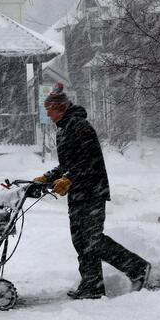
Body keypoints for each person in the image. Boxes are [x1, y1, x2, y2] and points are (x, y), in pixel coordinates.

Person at [33, 83, 150, 299]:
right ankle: (92, 286)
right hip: (78, 193)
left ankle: (138, 268)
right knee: (81, 240)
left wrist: (69, 178)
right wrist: (47, 178)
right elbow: (68, 164)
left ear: (59, 108)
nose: (47, 114)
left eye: (49, 109)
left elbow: (89, 162)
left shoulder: (79, 126)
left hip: (91, 191)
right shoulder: (63, 130)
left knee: (92, 239)